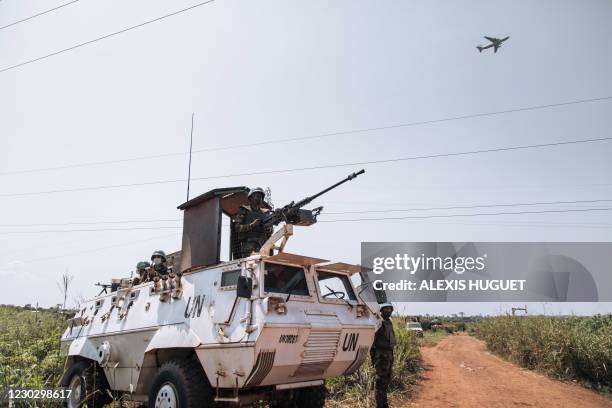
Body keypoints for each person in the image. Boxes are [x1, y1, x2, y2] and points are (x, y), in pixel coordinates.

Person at [232, 187, 273, 258]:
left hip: (263, 246)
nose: (259, 198)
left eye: (260, 196)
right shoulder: (244, 210)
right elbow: (237, 228)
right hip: (248, 247)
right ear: (250, 198)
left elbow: (271, 231)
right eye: (256, 196)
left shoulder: (265, 213)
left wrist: (269, 229)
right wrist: (252, 225)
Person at [370, 303, 396, 408]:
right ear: (381, 311)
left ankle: (384, 404)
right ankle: (380, 405)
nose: (388, 311)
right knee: (380, 382)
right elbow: (372, 341)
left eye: (390, 309)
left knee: (386, 381)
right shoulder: (378, 323)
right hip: (381, 355)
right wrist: (373, 357)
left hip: (389, 354)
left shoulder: (389, 322)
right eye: (386, 309)